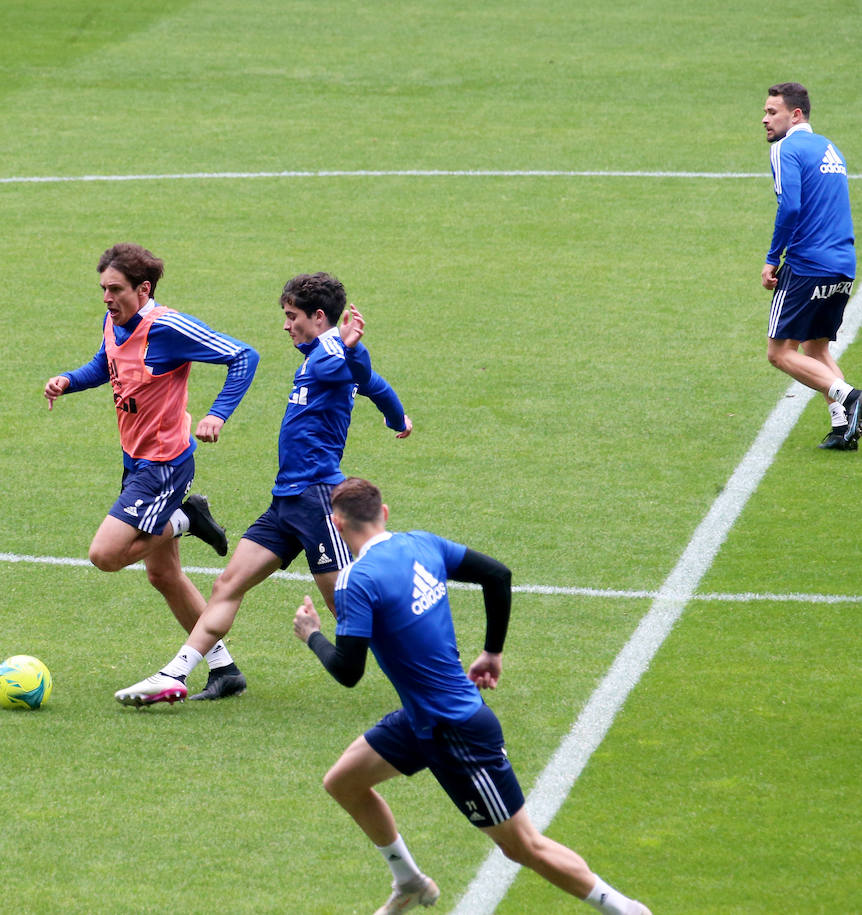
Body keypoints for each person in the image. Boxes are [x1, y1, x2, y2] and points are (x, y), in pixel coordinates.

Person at [291, 477, 650, 915]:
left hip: (454, 731)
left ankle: (626, 909)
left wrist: (312, 635)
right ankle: (408, 880)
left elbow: (349, 672)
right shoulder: (422, 544)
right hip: (422, 718)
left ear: (337, 524)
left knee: (523, 847)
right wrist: (492, 652)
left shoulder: (355, 580)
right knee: (344, 782)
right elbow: (497, 575)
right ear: (384, 514)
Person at [115, 271, 409, 706]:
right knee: (226, 585)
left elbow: (348, 370)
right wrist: (396, 417)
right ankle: (174, 674)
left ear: (319, 316)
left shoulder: (334, 355)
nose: (286, 325)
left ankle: (435, 678)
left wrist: (343, 344)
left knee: (347, 610)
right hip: (286, 501)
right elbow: (375, 385)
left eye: (292, 317)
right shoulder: (324, 352)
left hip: (319, 502)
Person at [45, 243, 259, 686]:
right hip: (135, 459)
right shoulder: (115, 318)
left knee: (104, 555)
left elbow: (243, 356)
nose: (106, 298)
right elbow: (106, 363)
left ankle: (186, 519)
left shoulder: (168, 328)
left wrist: (217, 413)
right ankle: (223, 668)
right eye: (103, 288)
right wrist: (69, 381)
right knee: (164, 575)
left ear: (143, 289)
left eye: (116, 289)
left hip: (163, 466)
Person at [759, 81, 859, 450]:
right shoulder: (830, 148)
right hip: (843, 264)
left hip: (807, 264)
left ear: (795, 114)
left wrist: (773, 258)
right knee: (816, 350)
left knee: (779, 352)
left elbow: (791, 207)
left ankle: (849, 396)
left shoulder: (787, 148)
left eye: (773, 112)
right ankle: (842, 429)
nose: (765, 120)